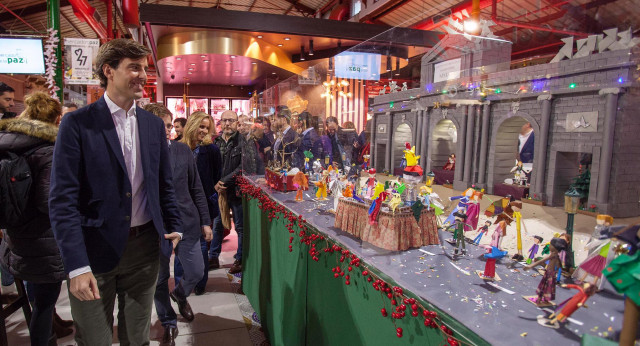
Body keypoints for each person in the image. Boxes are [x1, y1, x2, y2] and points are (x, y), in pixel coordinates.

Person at [49, 38, 184, 346]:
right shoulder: (77, 123)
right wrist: (76, 266)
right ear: (108, 71)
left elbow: (163, 184)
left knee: (137, 338)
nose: (143, 75)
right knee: (94, 338)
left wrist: (173, 227)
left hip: (145, 251)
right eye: (134, 68)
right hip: (93, 252)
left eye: (145, 69)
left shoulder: (151, 124)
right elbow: (62, 201)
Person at [0, 92, 73, 345]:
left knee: (40, 293)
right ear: (56, 118)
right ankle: (44, 339)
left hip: (16, 231)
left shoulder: (9, 141)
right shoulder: (47, 149)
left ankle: (53, 324)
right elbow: (47, 201)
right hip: (42, 237)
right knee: (44, 299)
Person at [144, 103, 213, 343]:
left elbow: (196, 188)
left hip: (187, 222)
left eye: (168, 125)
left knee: (196, 271)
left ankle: (181, 295)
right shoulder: (139, 155)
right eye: (161, 125)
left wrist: (206, 221)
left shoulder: (182, 151)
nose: (167, 130)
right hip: (156, 228)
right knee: (160, 278)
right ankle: (168, 321)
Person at [180, 111, 221, 293]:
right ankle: (183, 285)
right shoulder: (177, 147)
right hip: (180, 206)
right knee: (181, 244)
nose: (204, 131)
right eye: (201, 126)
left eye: (207, 128)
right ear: (192, 124)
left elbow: (216, 178)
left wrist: (211, 199)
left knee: (202, 244)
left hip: (202, 205)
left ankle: (199, 283)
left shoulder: (211, 150)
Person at [209, 110, 246, 274]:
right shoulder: (215, 142)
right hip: (219, 192)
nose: (227, 124)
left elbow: (243, 167)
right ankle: (213, 257)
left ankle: (240, 258)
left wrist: (225, 181)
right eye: (224, 120)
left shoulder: (243, 141)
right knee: (217, 224)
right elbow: (210, 165)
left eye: (231, 120)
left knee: (240, 227)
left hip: (236, 191)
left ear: (237, 123)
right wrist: (215, 183)